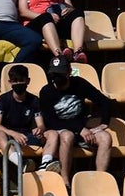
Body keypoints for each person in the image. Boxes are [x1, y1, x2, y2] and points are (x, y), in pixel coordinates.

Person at [40, 56, 114, 185]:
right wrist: (80, 128)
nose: (57, 77)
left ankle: (100, 179)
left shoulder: (79, 84)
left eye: (60, 73)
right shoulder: (46, 91)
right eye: (54, 74)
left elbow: (105, 102)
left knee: (105, 137)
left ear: (69, 72)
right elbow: (51, 122)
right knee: (67, 136)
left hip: (81, 129)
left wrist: (104, 123)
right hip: (60, 131)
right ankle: (65, 181)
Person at [0, 63, 59, 173]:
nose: (18, 83)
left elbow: (41, 124)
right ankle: (21, 164)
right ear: (10, 82)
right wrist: (13, 134)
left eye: (21, 80)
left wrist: (39, 129)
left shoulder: (34, 100)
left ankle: (44, 166)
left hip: (27, 136)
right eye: (15, 80)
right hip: (10, 137)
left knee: (52, 134)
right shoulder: (3, 99)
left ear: (28, 81)